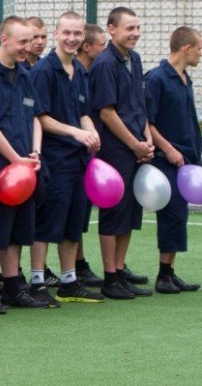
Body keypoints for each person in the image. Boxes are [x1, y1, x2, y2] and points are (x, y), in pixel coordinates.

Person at [0, 16, 49, 313]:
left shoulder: (26, 75)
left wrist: (35, 152)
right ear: (4, 39)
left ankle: (13, 287)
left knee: (17, 229)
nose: (27, 48)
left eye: (30, 42)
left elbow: (36, 118)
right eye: (22, 42)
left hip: (24, 170)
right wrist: (16, 160)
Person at [29, 12, 105, 305]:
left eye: (77, 34)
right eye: (67, 33)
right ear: (57, 34)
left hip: (78, 160)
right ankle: (37, 281)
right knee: (48, 222)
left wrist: (91, 133)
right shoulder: (44, 71)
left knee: (74, 221)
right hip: (53, 159)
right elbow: (41, 118)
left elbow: (84, 111)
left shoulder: (80, 71)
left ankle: (69, 280)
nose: (72, 39)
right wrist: (76, 133)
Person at [89, 7, 154, 300]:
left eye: (137, 28)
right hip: (116, 150)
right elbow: (107, 112)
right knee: (114, 213)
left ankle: (120, 272)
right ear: (112, 29)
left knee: (130, 213)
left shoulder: (135, 59)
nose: (135, 33)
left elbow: (139, 105)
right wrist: (134, 144)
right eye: (129, 28)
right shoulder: (105, 63)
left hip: (137, 149)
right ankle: (109, 278)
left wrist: (147, 141)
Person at [146, 26, 202, 295]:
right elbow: (148, 122)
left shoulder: (184, 78)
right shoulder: (157, 78)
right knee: (171, 214)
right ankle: (162, 276)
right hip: (165, 159)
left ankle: (169, 272)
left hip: (186, 158)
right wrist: (168, 149)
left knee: (180, 214)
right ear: (186, 48)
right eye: (200, 48)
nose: (201, 53)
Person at [74, 24, 107, 287]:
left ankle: (80, 263)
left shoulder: (89, 73)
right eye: (101, 45)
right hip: (70, 151)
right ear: (87, 47)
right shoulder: (75, 72)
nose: (104, 50)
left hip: (88, 149)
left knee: (82, 211)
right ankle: (75, 265)